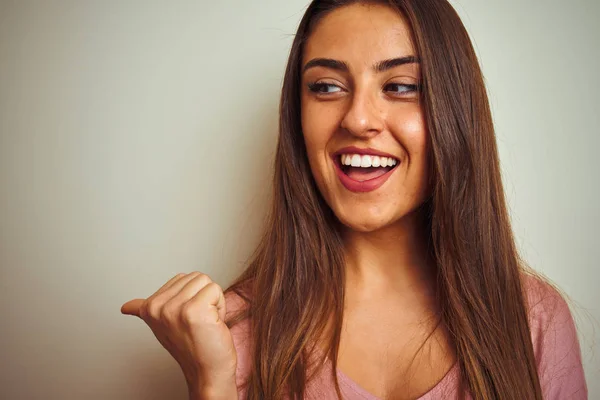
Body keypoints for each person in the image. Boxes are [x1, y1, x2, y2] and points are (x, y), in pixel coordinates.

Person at [121, 0, 588, 399]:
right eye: (326, 87)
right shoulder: (232, 331)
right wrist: (212, 387)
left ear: (454, 111)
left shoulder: (534, 320)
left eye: (401, 86)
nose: (359, 119)